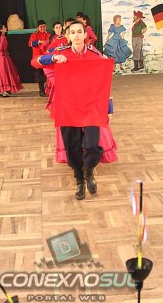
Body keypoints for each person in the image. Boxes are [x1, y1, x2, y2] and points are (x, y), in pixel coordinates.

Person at [37, 21, 114, 200]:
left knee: (92, 144)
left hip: (91, 106)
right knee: (72, 145)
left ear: (85, 35)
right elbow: (36, 62)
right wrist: (53, 59)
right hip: (68, 106)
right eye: (73, 32)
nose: (77, 35)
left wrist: (109, 108)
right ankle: (79, 180)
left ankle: (89, 171)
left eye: (80, 32)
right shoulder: (60, 52)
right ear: (68, 36)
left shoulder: (95, 54)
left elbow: (104, 81)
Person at [0, 25, 23, 98]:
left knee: (5, 73)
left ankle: (5, 89)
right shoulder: (2, 38)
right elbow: (1, 48)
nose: (6, 28)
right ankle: (3, 90)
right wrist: (3, 54)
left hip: (3, 57)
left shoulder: (2, 37)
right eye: (4, 28)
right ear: (1, 30)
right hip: (3, 58)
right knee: (4, 73)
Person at [28, 20, 50, 97]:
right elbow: (30, 44)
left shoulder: (49, 35)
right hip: (38, 59)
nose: (42, 28)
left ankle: (48, 90)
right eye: (41, 27)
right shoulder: (34, 35)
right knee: (40, 76)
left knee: (47, 75)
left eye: (44, 26)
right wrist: (39, 41)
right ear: (37, 28)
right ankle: (42, 91)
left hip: (47, 57)